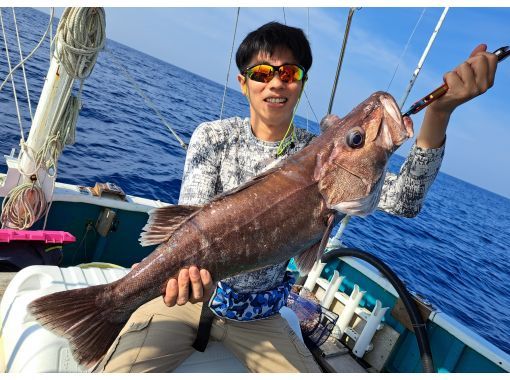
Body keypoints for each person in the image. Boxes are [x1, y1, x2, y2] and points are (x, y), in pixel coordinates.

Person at [95, 22, 498, 373]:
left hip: (262, 317)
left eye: (288, 72)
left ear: (303, 81)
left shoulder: (325, 160)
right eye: (262, 72)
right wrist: (178, 279)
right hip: (181, 304)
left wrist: (439, 114)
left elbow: (407, 199)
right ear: (244, 81)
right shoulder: (214, 136)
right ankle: (108, 305)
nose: (275, 82)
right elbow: (190, 227)